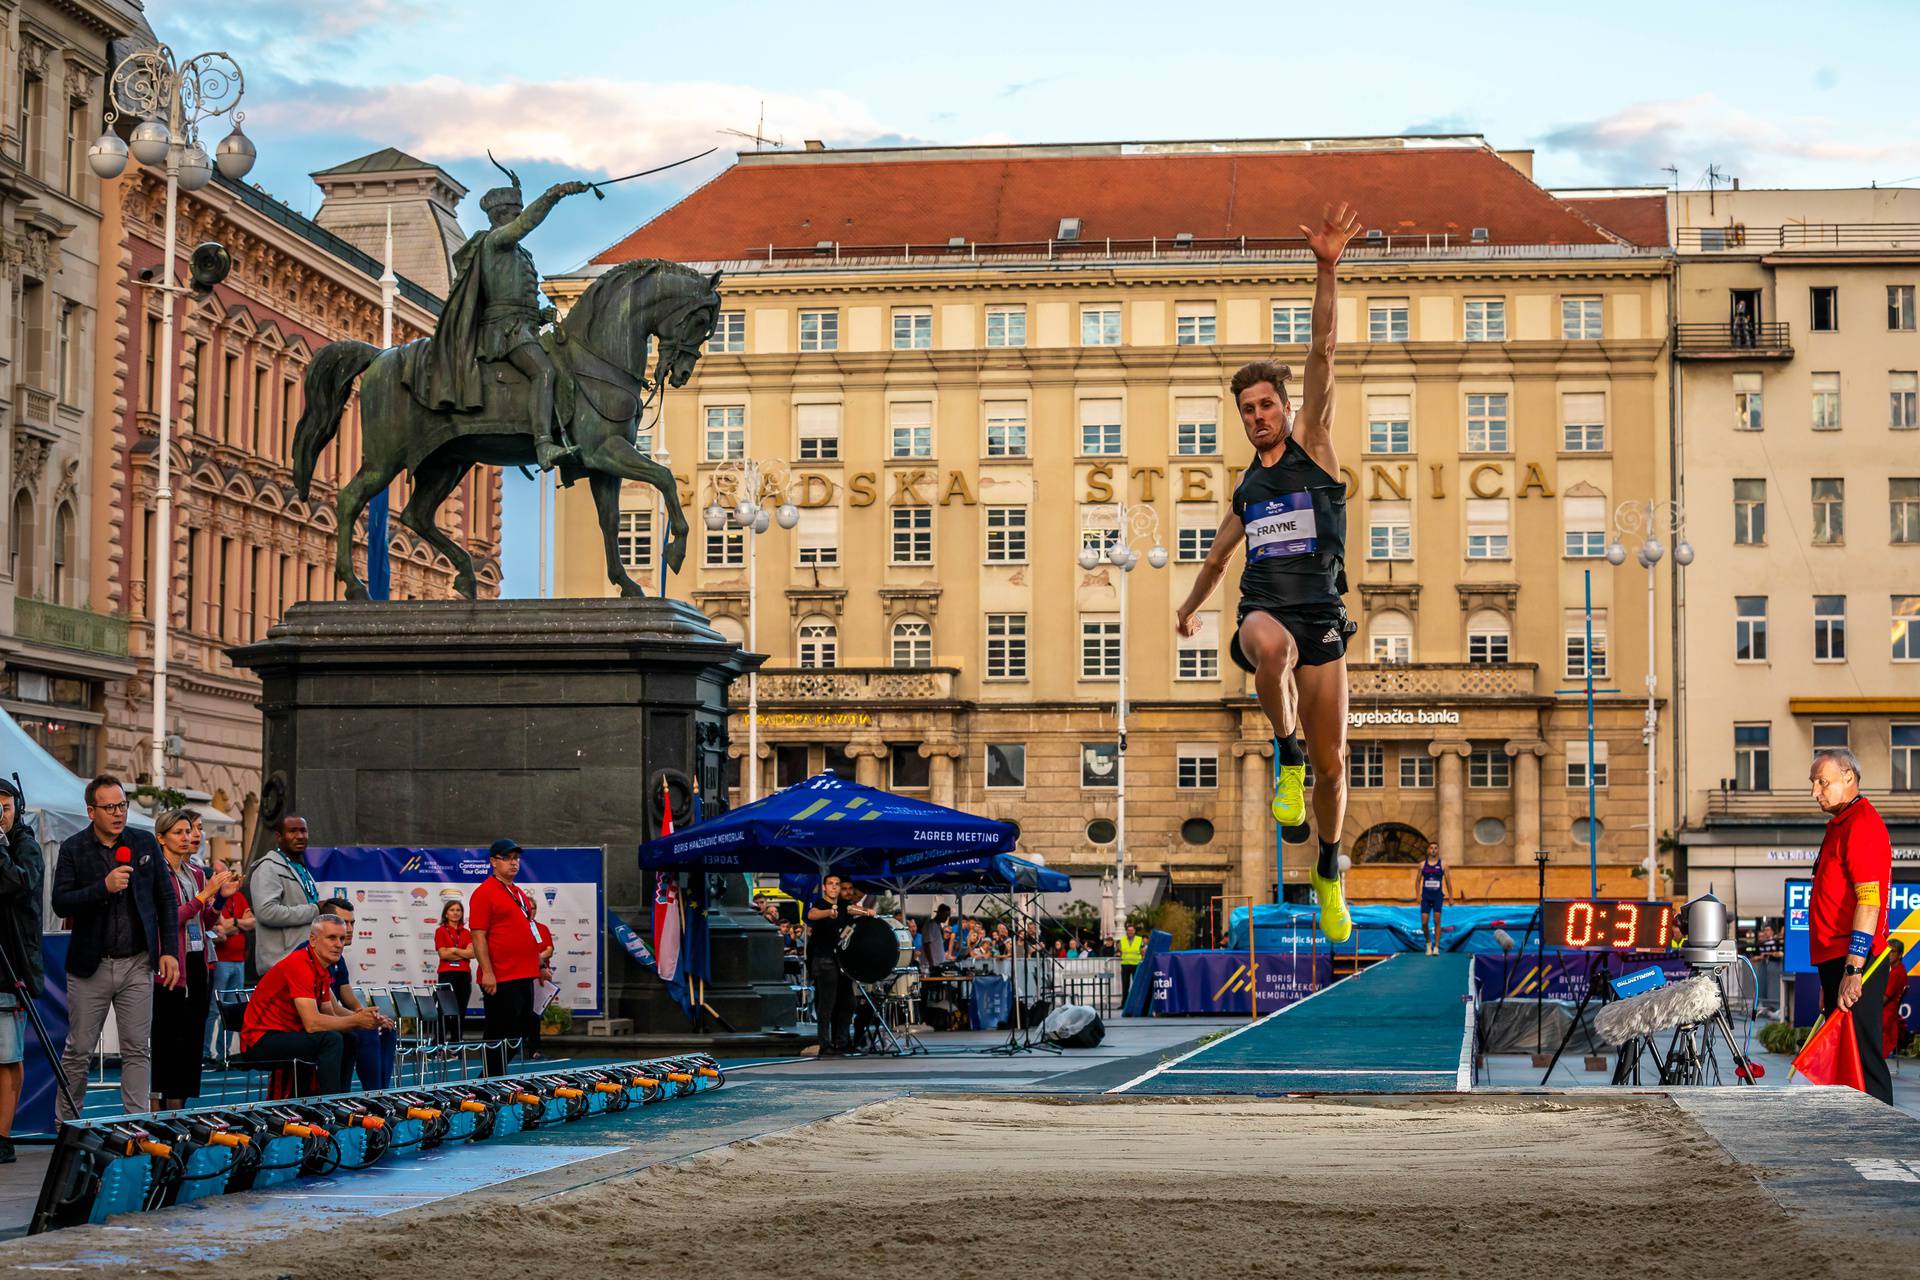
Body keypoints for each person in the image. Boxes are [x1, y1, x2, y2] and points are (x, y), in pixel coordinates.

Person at [1175, 203, 1363, 945]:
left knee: (1337, 766)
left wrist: (1325, 267)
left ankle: (1328, 867)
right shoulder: (1247, 491)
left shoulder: (1316, 447)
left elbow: (1323, 350)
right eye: (1247, 410)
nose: (1257, 417)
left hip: (1323, 618)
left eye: (1266, 405)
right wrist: (1190, 608)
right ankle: (1282, 753)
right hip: (1267, 615)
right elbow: (1220, 558)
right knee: (1268, 644)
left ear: (1286, 410)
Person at [401, 170, 592, 470]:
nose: (519, 219)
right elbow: (526, 226)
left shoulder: (520, 252)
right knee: (543, 372)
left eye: (519, 213)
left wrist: (539, 313)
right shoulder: (495, 241)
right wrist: (554, 194)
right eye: (515, 214)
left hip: (524, 326)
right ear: (500, 216)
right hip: (504, 332)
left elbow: (516, 294)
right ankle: (543, 445)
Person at [51, 775, 181, 1121]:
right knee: (78, 1050)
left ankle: (135, 1124)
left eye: (122, 805)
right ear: (91, 811)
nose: (118, 813)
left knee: (138, 1049)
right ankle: (67, 1123)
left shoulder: (143, 843)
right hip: (89, 965)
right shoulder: (73, 848)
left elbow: (166, 900)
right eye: (109, 807)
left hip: (137, 962)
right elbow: (60, 903)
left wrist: (170, 950)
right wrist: (102, 888)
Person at [1807, 748, 1895, 1105]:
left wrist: (1853, 968)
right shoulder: (1840, 825)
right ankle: (1855, 1137)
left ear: (1849, 777)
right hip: (1839, 960)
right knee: (1846, 1060)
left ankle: (1885, 1141)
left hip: (1858, 960)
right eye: (1813, 783)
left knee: (1864, 1059)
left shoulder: (1862, 824)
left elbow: (1869, 900)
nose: (1815, 791)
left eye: (1822, 781)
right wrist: (1832, 975)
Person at [240, 914, 388, 1096]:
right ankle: (329, 1103)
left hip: (287, 1034)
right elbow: (312, 1023)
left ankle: (344, 1097)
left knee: (349, 1038)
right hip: (259, 1041)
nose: (339, 944)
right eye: (332, 938)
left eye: (342, 938)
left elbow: (329, 1013)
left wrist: (367, 1019)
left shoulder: (321, 968)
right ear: (313, 940)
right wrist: (357, 1020)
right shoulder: (299, 964)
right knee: (331, 1039)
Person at [150, 809, 231, 1110]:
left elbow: (205, 921)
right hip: (169, 965)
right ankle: (157, 1108)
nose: (188, 838)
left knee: (191, 1039)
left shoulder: (195, 872)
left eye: (190, 831)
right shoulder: (156, 872)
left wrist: (220, 897)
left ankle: (178, 1108)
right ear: (161, 838)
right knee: (167, 1039)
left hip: (198, 961)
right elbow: (167, 919)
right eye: (179, 833)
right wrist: (201, 897)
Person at [300, 898, 395, 1090]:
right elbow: (328, 1008)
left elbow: (347, 997)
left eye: (352, 923)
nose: (349, 928)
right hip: (307, 1022)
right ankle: (374, 1096)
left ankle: (383, 1093)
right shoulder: (308, 955)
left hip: (330, 1017)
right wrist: (361, 1019)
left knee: (386, 1029)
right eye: (343, 922)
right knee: (366, 1031)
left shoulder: (337, 957)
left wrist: (370, 1015)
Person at [470, 838, 542, 1076]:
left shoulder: (518, 892)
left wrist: (539, 964)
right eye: (508, 858)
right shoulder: (484, 893)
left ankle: (492, 1078)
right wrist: (488, 971)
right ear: (493, 861)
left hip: (524, 972)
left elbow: (526, 930)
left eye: (516, 858)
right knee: (499, 1031)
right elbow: (478, 935)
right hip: (501, 975)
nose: (514, 863)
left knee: (521, 1029)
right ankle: (487, 1081)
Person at [0, 779, 43, 1162]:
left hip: (8, 964)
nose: (0, 815)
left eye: (6, 807)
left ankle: (3, 1136)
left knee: (6, 1056)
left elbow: (16, 885)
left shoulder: (24, 846)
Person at [805, 873, 871, 1056]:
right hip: (824, 960)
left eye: (837, 884)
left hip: (840, 962)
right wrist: (828, 912)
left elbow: (851, 909)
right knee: (827, 1004)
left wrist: (868, 912)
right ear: (825, 887)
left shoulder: (842, 906)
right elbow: (812, 914)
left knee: (847, 1002)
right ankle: (825, 1045)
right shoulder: (821, 904)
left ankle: (841, 1043)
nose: (834, 887)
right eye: (831, 884)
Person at [249, 816, 320, 978]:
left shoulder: (300, 867)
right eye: (292, 831)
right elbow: (267, 912)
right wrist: (315, 910)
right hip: (281, 965)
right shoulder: (268, 868)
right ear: (279, 837)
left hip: (305, 960)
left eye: (303, 830)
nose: (300, 836)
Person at [206, 856, 253, 1060]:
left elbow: (252, 922)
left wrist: (233, 922)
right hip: (221, 960)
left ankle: (224, 1054)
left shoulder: (239, 897)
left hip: (238, 960)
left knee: (234, 1008)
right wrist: (239, 923)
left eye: (226, 872)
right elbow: (220, 928)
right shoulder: (213, 898)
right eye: (220, 873)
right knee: (215, 1009)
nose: (226, 877)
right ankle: (206, 1052)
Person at [435, 900, 475, 1039]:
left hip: (464, 975)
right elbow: (443, 954)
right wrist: (461, 953)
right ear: (446, 913)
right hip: (447, 975)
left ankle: (455, 1045)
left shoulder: (467, 932)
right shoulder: (440, 931)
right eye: (452, 910)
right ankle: (439, 1046)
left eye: (458, 910)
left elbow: (472, 954)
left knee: (460, 1011)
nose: (455, 912)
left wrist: (453, 950)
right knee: (444, 1010)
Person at [1416, 842, 1455, 956]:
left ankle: (1436, 947)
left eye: (1435, 848)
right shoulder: (1422, 865)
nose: (1433, 850)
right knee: (1424, 923)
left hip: (1438, 896)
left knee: (1437, 921)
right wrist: (1417, 895)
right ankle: (1428, 943)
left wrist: (1451, 897)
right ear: (1428, 850)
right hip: (1426, 897)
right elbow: (1417, 881)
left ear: (1438, 850)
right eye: (1431, 848)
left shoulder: (1443, 864)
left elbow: (1448, 882)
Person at [527, 900, 555, 1059]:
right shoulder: (518, 927)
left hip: (539, 975)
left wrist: (534, 959)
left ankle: (534, 1048)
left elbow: (549, 950)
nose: (531, 910)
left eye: (534, 908)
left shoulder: (542, 928)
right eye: (528, 908)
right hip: (522, 974)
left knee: (535, 1013)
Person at [1117, 922, 1146, 1001]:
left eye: (1131, 930)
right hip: (1125, 964)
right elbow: (1119, 951)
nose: (1130, 932)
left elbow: (1143, 952)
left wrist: (1143, 960)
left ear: (1134, 931)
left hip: (1136, 965)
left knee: (1137, 985)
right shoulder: (1122, 940)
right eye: (1128, 930)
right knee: (1125, 986)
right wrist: (1118, 954)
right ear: (1126, 931)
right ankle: (1124, 1003)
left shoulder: (1139, 939)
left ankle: (1137, 1002)